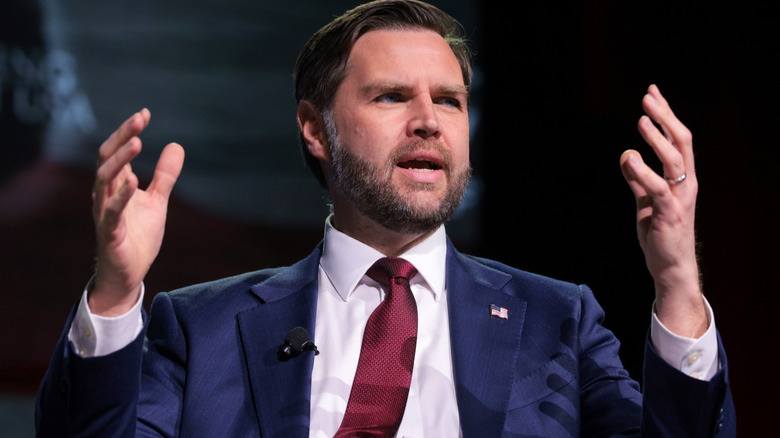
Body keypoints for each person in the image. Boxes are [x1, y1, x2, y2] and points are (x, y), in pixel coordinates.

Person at [35, 0, 734, 436]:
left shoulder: (558, 321)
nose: (430, 121)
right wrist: (116, 292)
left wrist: (677, 283)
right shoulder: (200, 328)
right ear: (316, 129)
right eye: (393, 96)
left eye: (452, 100)